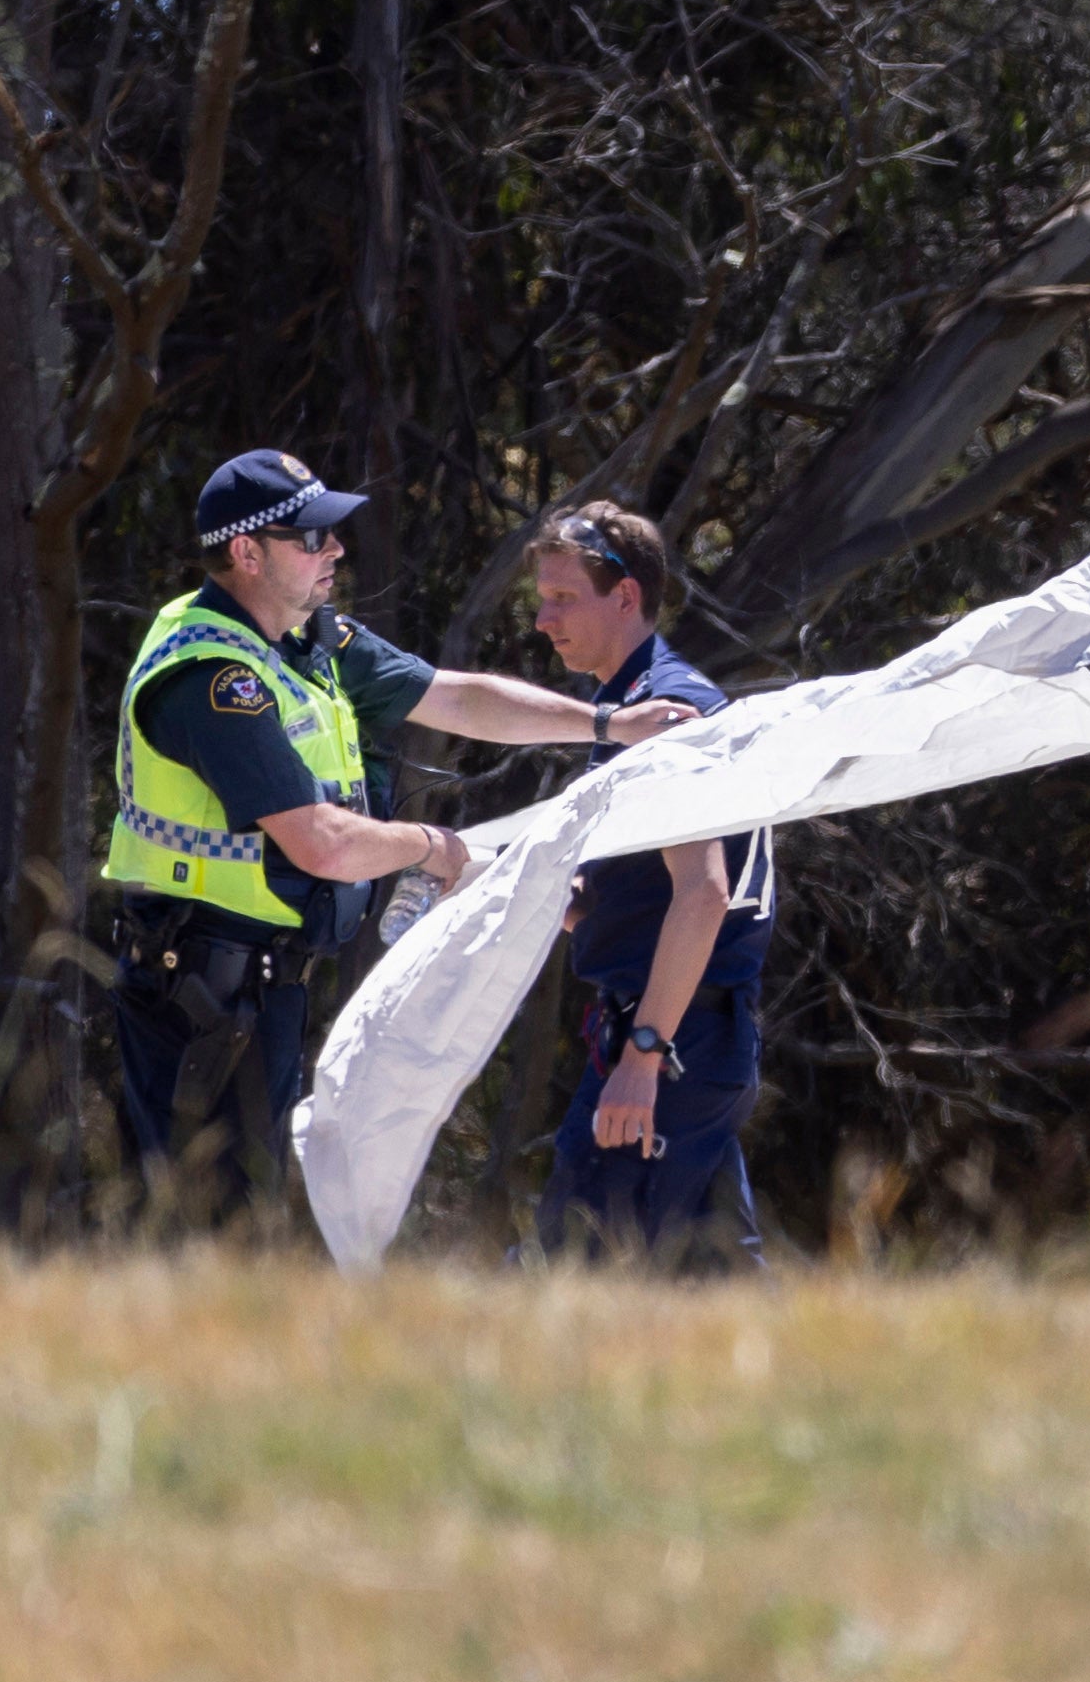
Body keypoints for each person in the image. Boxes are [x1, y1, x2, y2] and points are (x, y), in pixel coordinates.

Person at [99, 450, 698, 1220]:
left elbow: (458, 700)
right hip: (197, 993)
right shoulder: (214, 677)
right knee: (205, 1229)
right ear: (246, 554)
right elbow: (320, 842)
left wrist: (608, 722)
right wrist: (429, 847)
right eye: (310, 538)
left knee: (240, 1226)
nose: (335, 549)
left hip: (258, 985)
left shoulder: (309, 639)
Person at [512, 502, 777, 1267]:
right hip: (684, 1036)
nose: (542, 619)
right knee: (709, 1280)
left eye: (563, 597)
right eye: (544, 597)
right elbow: (632, 899)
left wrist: (644, 1055)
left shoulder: (668, 712)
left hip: (673, 1039)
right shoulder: (625, 707)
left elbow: (704, 892)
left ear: (625, 596)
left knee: (576, 1264)